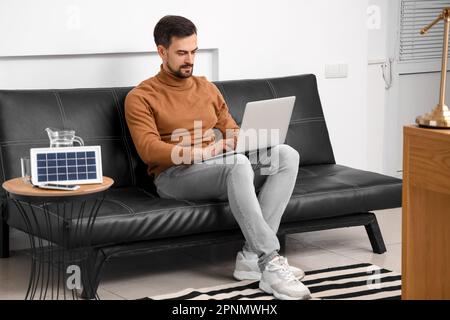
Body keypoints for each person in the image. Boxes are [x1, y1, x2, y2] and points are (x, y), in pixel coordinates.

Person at [124, 15, 311, 300]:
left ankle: (250, 259)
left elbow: (231, 128)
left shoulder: (207, 88)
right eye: (182, 53)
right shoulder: (141, 96)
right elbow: (148, 148)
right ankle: (269, 260)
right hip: (173, 176)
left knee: (285, 155)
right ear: (162, 52)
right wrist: (197, 153)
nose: (190, 59)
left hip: (218, 165)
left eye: (194, 51)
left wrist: (238, 139)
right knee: (237, 165)